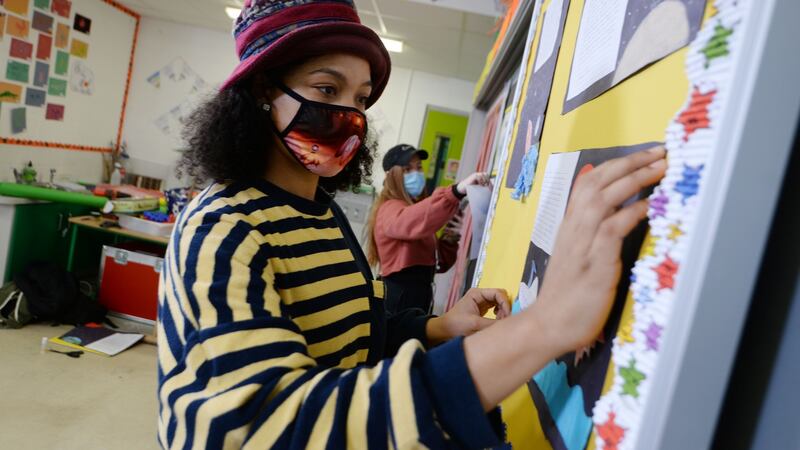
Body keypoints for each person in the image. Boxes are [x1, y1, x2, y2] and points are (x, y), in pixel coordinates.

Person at [157, 1, 668, 448]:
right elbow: (258, 430)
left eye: (359, 99)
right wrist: (548, 324)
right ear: (262, 92)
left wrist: (432, 328)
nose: (349, 116)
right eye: (326, 88)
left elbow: (349, 340)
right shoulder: (222, 230)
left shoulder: (321, 213)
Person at [365, 144, 490, 314]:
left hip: (419, 295)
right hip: (398, 298)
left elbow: (439, 264)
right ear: (391, 176)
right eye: (407, 169)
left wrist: (450, 237)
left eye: (419, 168)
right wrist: (455, 191)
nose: (415, 174)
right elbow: (411, 219)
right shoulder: (389, 209)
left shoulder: (417, 210)